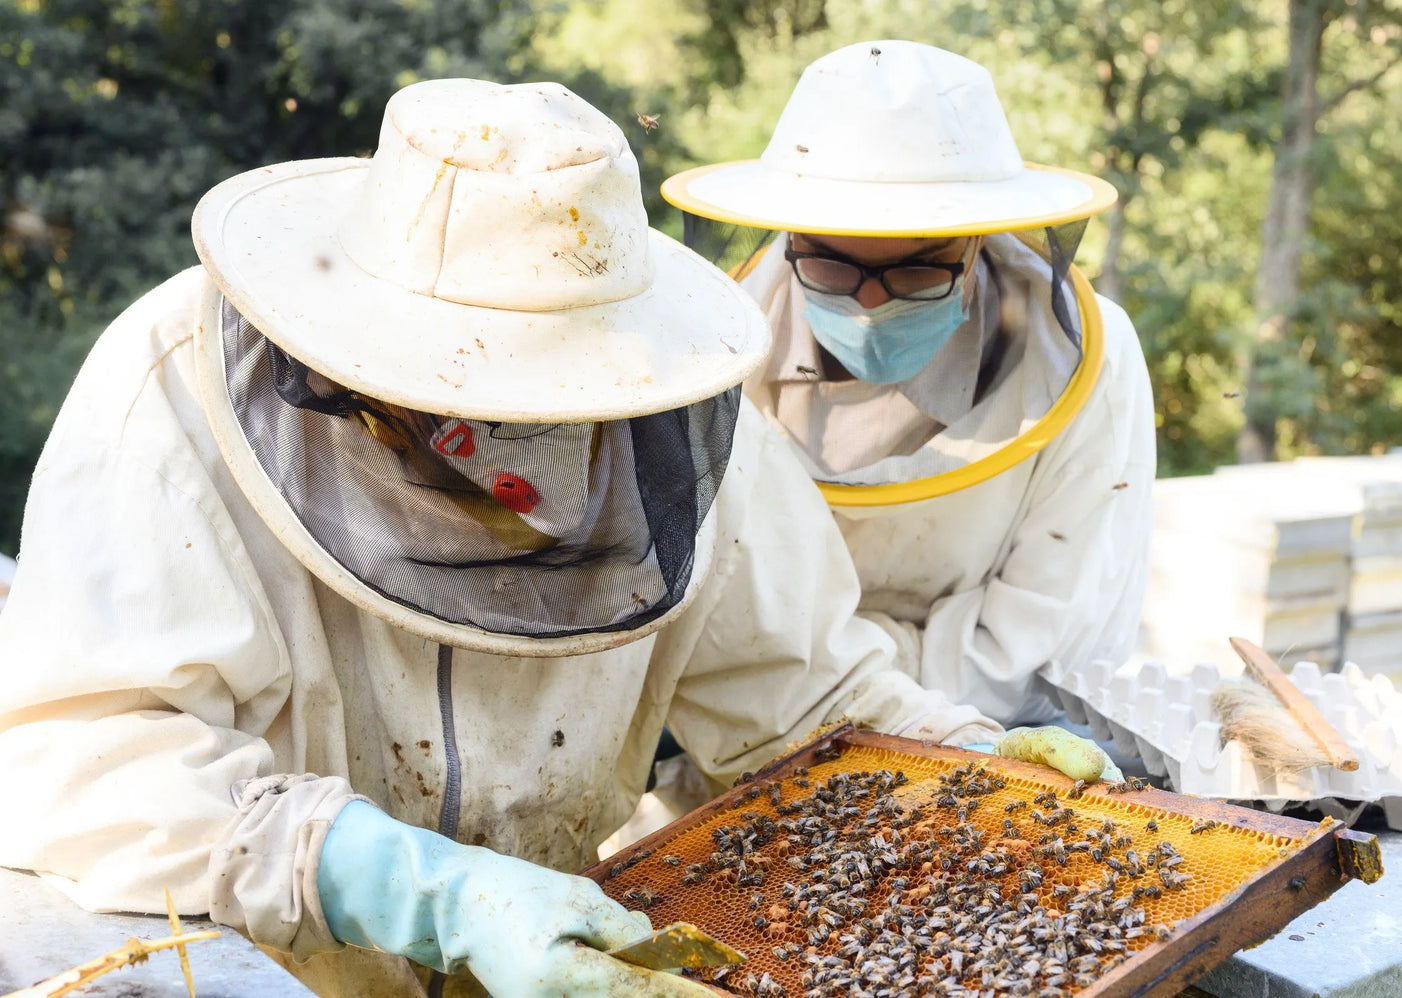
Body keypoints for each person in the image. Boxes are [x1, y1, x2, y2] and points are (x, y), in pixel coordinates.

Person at [0, 79, 1109, 998]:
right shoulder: (169, 397)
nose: (500, 449)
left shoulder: (686, 421)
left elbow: (802, 699)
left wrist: (955, 756)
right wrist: (406, 882)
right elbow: (79, 761)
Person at [663, 39, 1157, 726]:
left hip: (995, 752)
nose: (869, 304)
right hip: (751, 746)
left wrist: (821, 664)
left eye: (916, 271)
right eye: (833, 267)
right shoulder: (710, 357)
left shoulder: (1085, 363)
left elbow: (1046, 654)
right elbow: (711, 631)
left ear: (977, 244)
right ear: (790, 242)